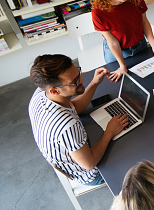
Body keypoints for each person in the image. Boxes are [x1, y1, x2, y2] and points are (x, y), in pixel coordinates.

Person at [28, 54, 128, 185]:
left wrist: (94, 83)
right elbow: (90, 163)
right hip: (89, 173)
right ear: (54, 91)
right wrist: (109, 131)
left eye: (78, 74)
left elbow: (73, 107)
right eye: (74, 81)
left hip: (75, 151)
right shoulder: (67, 125)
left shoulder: (40, 94)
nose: (81, 80)